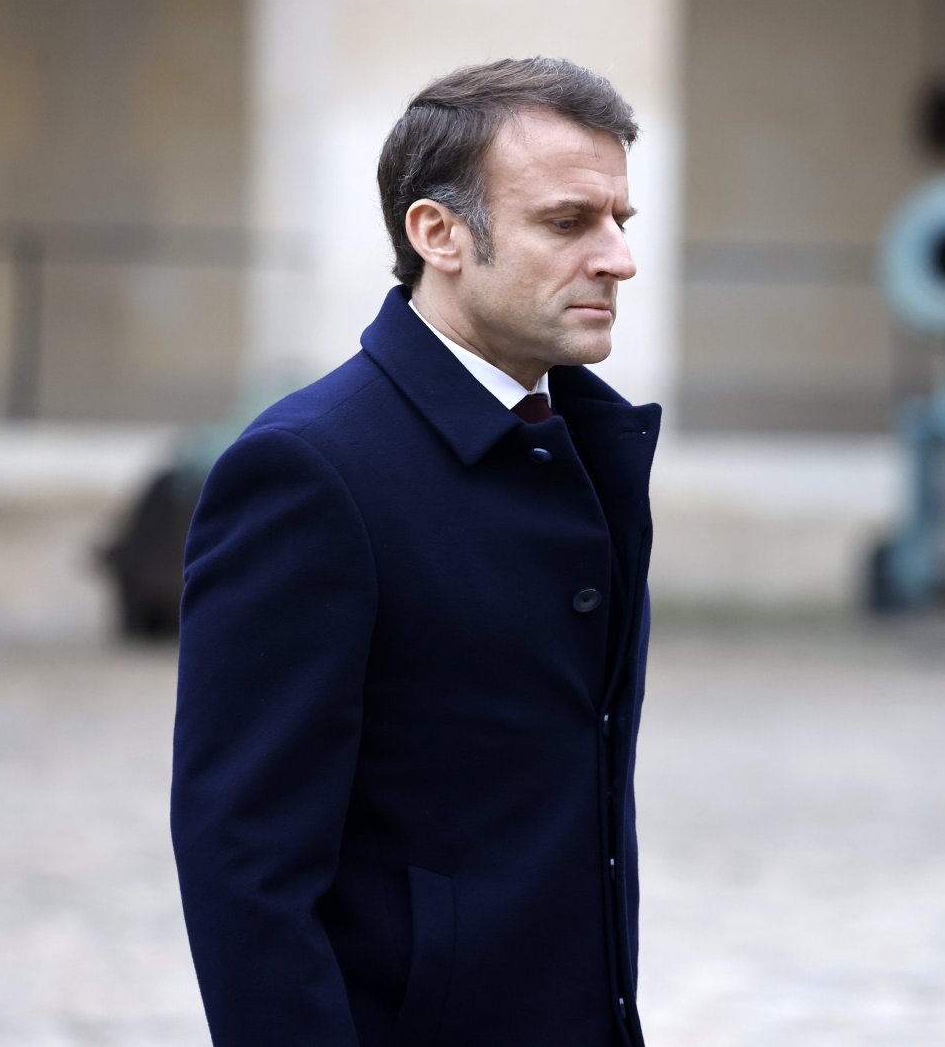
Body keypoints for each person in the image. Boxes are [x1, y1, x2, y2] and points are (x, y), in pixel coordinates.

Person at [171, 57, 659, 1046]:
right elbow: (245, 865)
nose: (616, 258)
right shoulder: (309, 472)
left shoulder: (587, 447)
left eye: (619, 221)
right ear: (437, 234)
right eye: (569, 222)